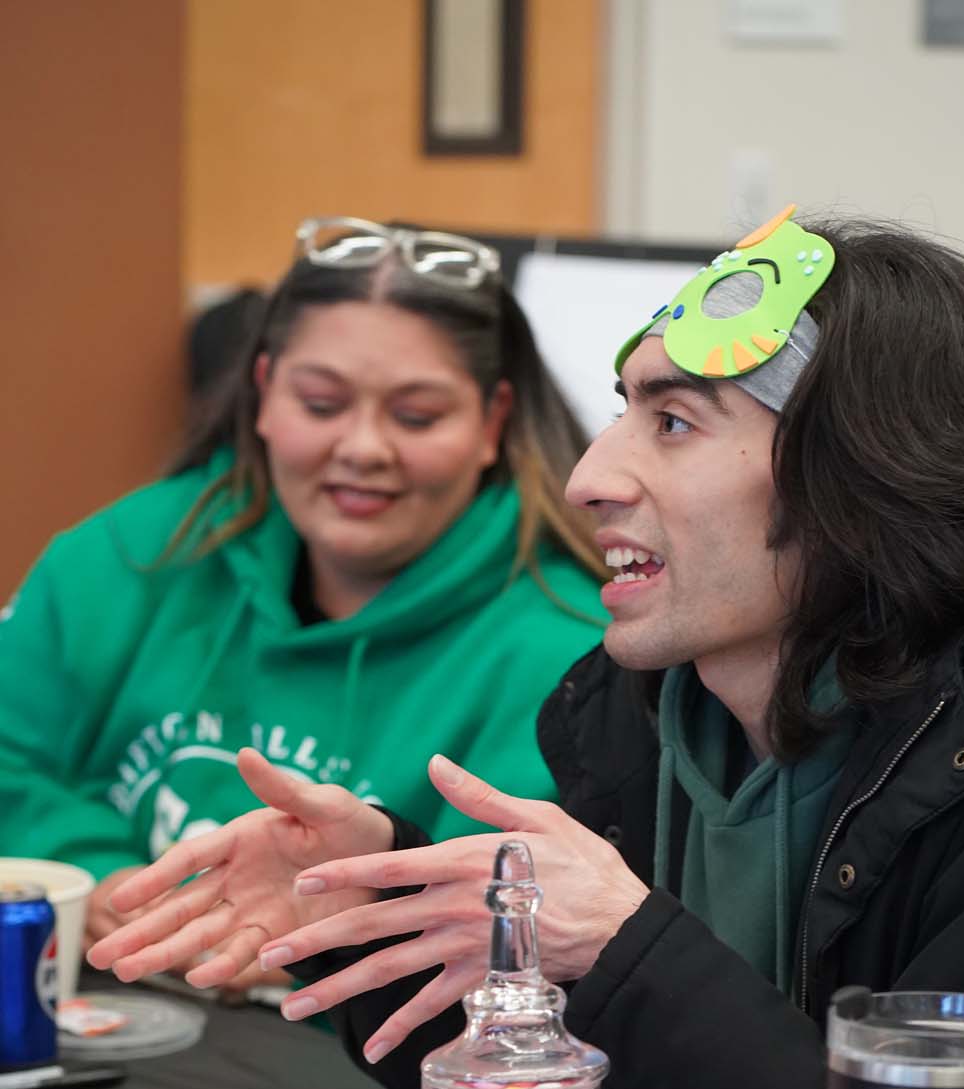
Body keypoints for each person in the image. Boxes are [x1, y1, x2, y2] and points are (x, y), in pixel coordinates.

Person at [90, 208, 964, 1089]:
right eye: (627, 410)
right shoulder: (648, 702)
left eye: (673, 423)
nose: (587, 477)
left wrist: (627, 951)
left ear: (860, 474)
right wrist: (381, 898)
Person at [0, 217, 604, 955]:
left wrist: (329, 940)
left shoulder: (568, 656)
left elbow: (514, 927)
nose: (362, 448)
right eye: (321, 404)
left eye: (417, 416)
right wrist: (95, 873)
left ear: (492, 421)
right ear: (263, 394)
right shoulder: (134, 556)